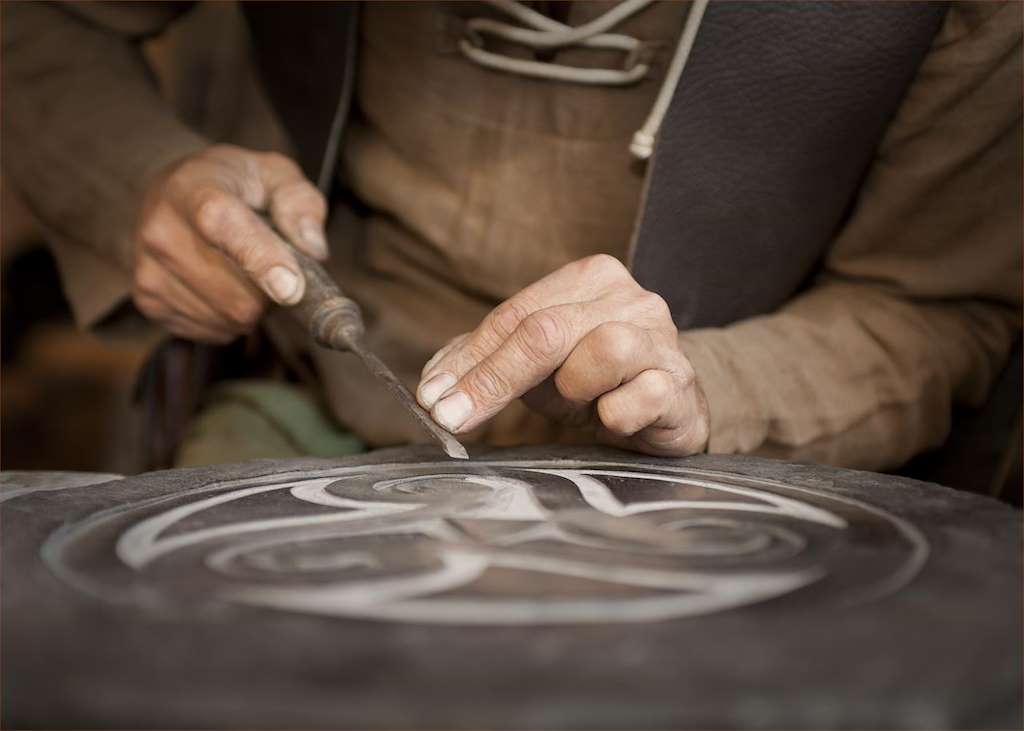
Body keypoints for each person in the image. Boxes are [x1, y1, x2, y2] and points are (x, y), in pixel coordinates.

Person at [3, 1, 1020, 471]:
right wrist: (135, 173)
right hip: (326, 416)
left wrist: (717, 384)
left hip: (719, 477)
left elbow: (937, 306)